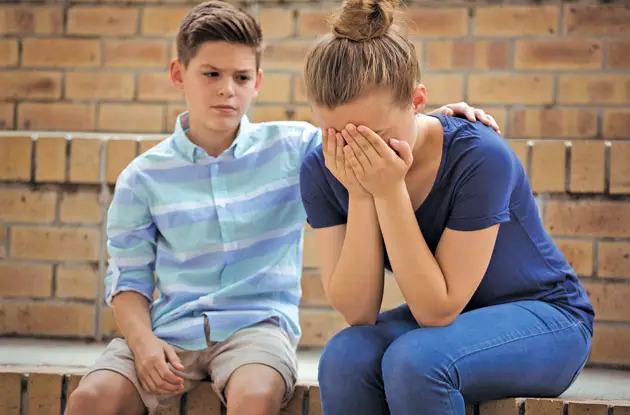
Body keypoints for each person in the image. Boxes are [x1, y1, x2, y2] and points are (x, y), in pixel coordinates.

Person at [64, 1, 499, 414]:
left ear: (258, 82)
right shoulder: (142, 176)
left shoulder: (295, 148)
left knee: (255, 398)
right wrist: (142, 345)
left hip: (256, 332)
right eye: (211, 73)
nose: (226, 90)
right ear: (179, 73)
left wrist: (437, 119)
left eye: (240, 77)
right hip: (168, 329)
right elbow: (127, 279)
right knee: (90, 400)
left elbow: (369, 130)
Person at [298, 0, 595, 414]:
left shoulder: (479, 156)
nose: (357, 148)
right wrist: (363, 193)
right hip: (451, 326)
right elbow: (359, 310)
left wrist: (388, 190)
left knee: (417, 362)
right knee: (345, 357)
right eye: (338, 134)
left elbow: (437, 310)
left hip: (547, 320)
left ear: (418, 100)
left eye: (374, 134)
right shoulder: (321, 166)